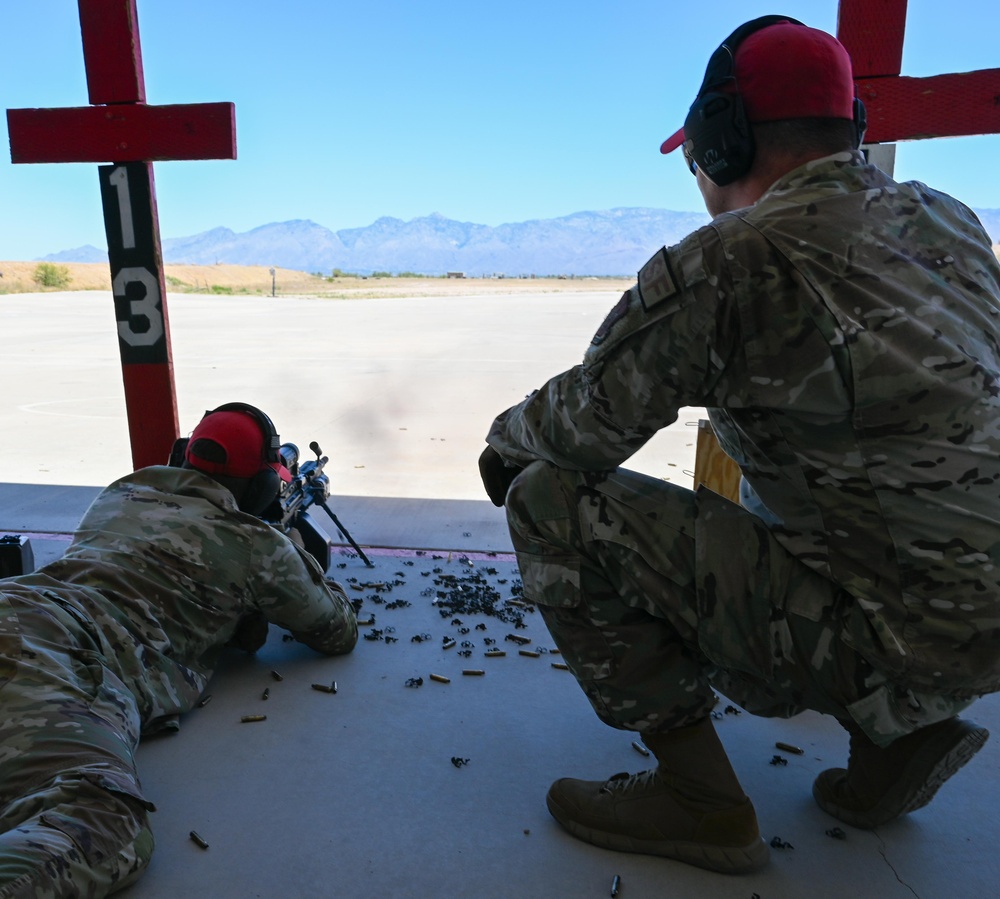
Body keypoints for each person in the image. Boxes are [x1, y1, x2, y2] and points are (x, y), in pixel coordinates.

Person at [479, 15, 1000, 876]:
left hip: (892, 634)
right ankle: (895, 739)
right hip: (980, 627)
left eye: (694, 158)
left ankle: (698, 799)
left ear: (722, 144)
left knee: (546, 496)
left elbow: (587, 424)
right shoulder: (949, 224)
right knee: (808, 472)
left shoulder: (734, 258)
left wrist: (504, 440)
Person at [0, 402, 358, 897]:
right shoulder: (256, 543)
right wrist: (287, 541)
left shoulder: (122, 492)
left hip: (18, 598)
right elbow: (337, 632)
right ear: (258, 487)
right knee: (100, 826)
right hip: (61, 654)